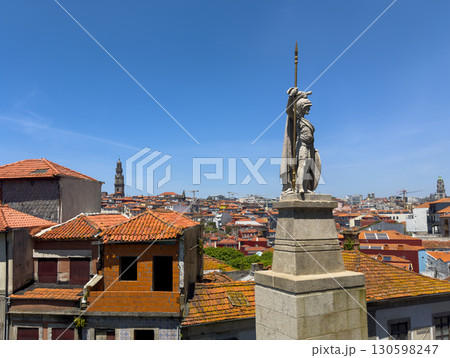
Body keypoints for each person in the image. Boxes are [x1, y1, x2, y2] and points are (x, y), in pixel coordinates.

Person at [280, 87, 321, 194]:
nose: (310, 109)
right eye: (308, 107)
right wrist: (291, 97)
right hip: (301, 146)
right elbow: (288, 110)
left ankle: (306, 187)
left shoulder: (304, 120)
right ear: (302, 107)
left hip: (310, 147)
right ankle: (299, 188)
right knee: (302, 166)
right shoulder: (296, 118)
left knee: (308, 167)